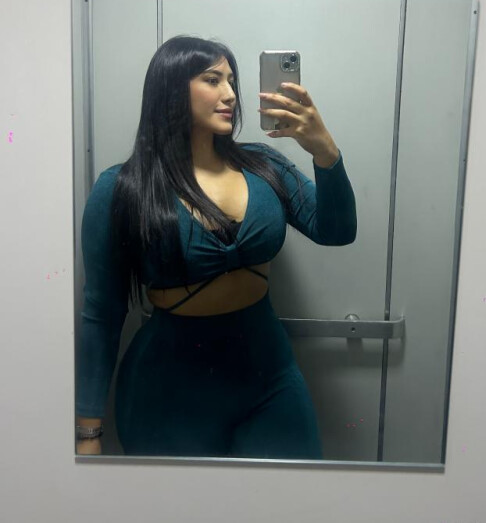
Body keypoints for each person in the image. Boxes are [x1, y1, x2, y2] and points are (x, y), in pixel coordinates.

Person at [75, 35, 356, 459]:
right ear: (171, 88)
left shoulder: (264, 165)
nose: (230, 94)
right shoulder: (123, 188)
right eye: (212, 80)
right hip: (167, 390)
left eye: (231, 81)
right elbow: (102, 313)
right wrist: (88, 431)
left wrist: (325, 151)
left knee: (295, 492)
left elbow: (336, 230)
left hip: (268, 378)